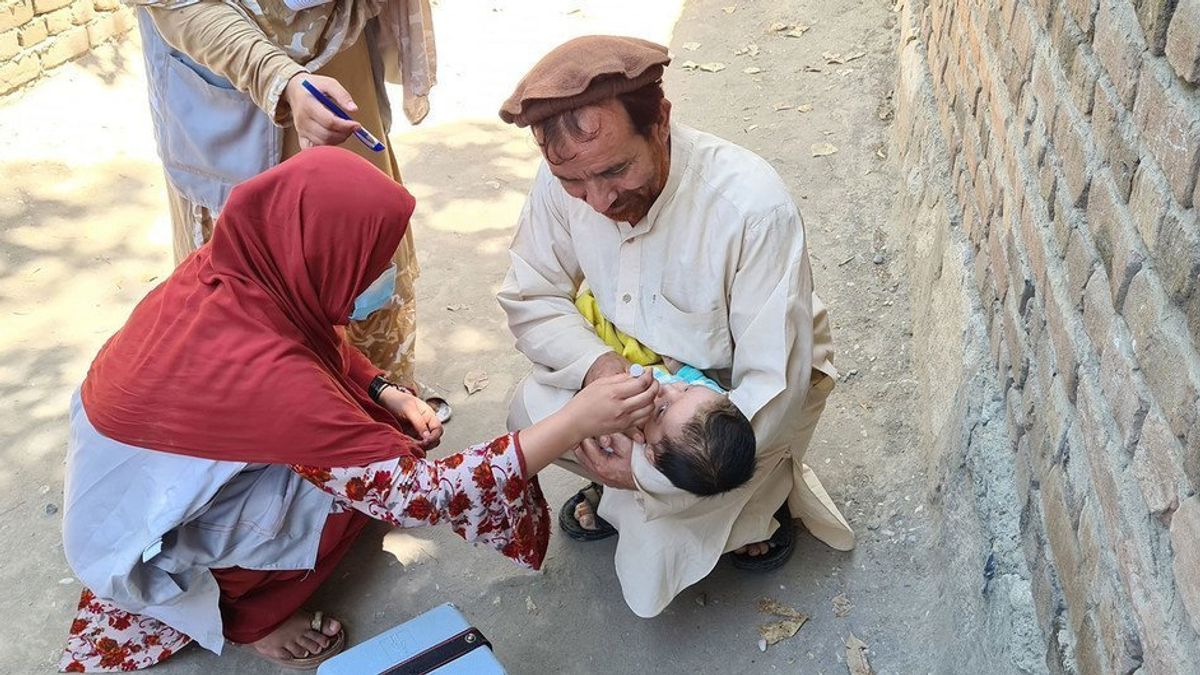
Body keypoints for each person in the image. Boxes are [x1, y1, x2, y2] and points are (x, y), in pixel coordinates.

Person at [57, 148, 658, 672]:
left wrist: (384, 392)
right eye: (372, 261)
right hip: (147, 532)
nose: (386, 276)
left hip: (154, 480)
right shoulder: (273, 381)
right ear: (316, 255)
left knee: (385, 428)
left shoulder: (242, 266)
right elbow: (423, 494)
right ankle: (250, 614)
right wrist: (578, 419)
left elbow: (311, 343)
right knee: (361, 485)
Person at [497, 35, 856, 618]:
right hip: (632, 380)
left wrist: (644, 468)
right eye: (573, 183)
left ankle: (750, 510)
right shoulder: (567, 180)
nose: (596, 200)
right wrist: (601, 372)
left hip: (729, 402)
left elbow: (773, 385)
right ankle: (646, 492)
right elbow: (531, 291)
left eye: (615, 169)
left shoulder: (751, 207)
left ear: (661, 120)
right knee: (529, 409)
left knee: (711, 462)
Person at [132, 0, 438, 402]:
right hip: (230, 78)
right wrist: (283, 81)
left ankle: (376, 401)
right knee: (259, 294)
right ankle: (332, 420)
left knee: (360, 268)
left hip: (333, 64)